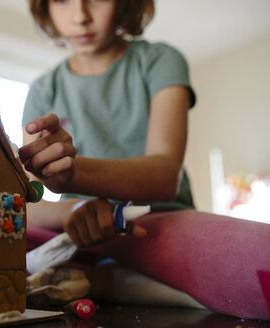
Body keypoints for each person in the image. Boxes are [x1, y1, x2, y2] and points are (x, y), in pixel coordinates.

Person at [20, 0, 270, 320]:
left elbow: (165, 175)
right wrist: (75, 208)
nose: (80, 16)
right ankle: (111, 278)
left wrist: (74, 172)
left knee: (258, 260)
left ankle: (98, 280)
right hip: (78, 229)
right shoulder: (42, 89)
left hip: (155, 221)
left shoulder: (160, 60)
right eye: (62, 0)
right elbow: (27, 203)